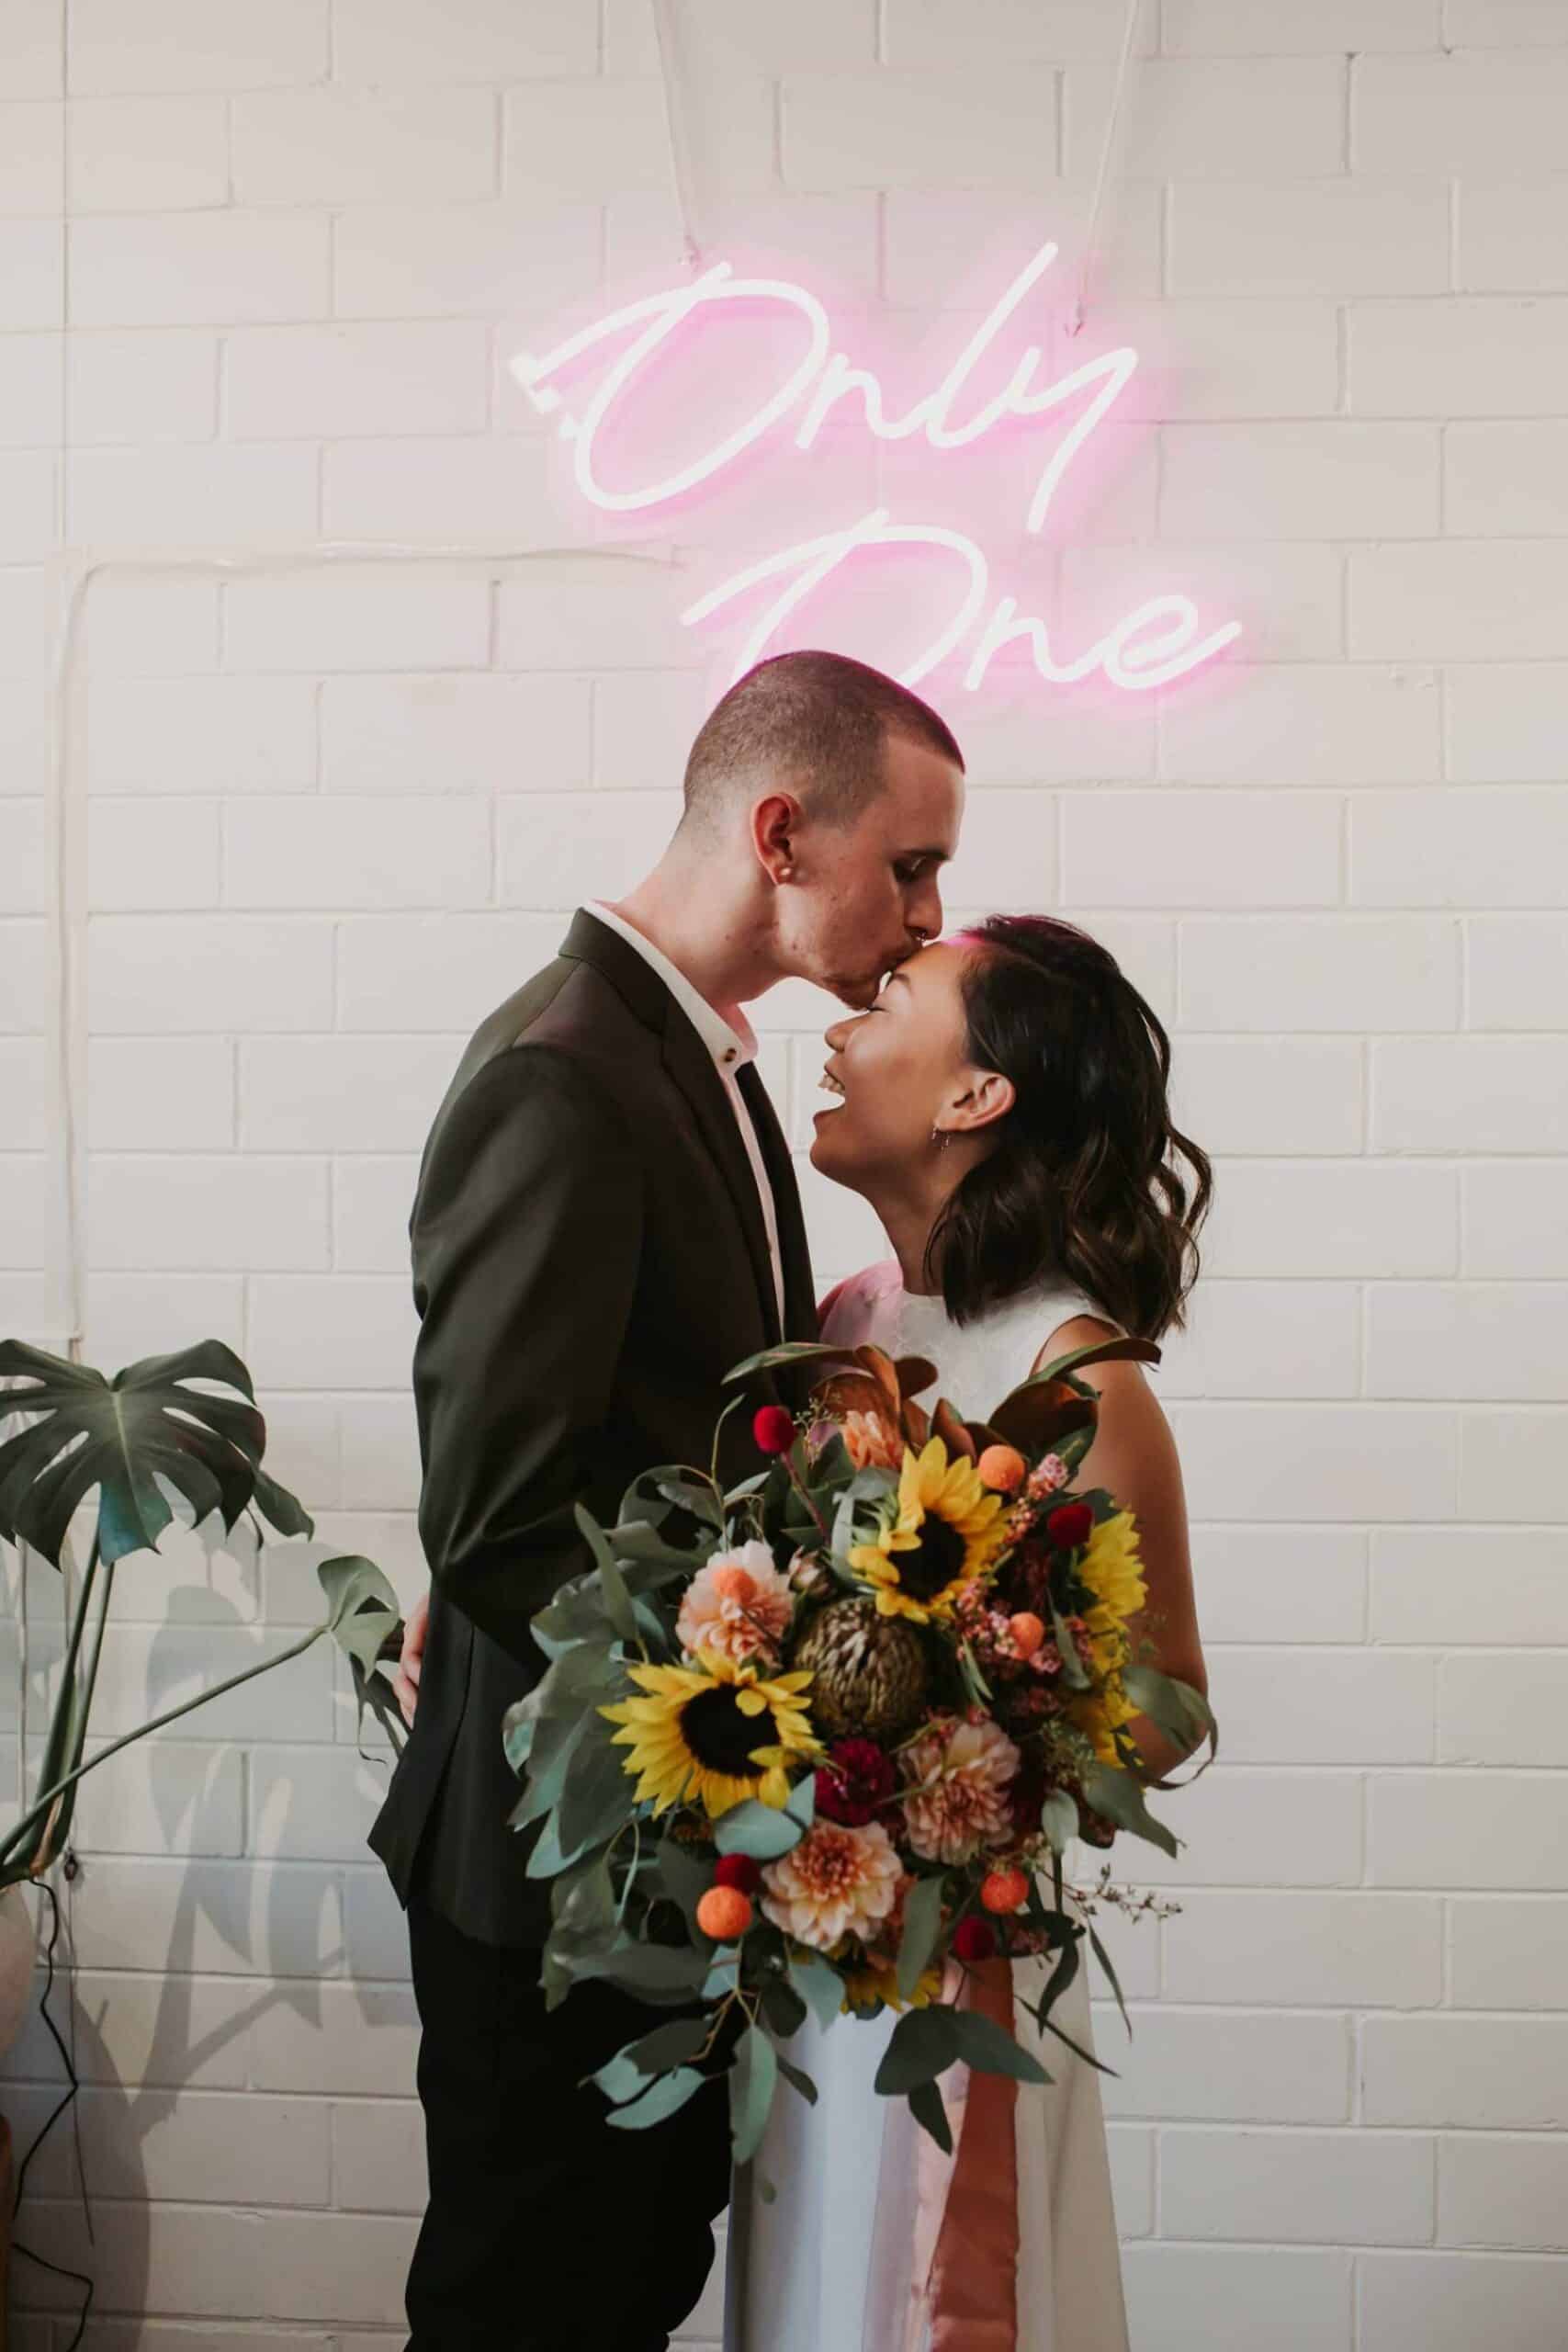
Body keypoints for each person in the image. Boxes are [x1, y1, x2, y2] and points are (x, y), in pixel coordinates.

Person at [370, 649, 966, 2351]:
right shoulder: (567, 1072)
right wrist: (775, 1711)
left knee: (627, 2287)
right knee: (530, 2309)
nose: (929, 913)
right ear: (783, 832)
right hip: (543, 1882)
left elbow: (626, 1459)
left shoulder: (692, 1057)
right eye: (909, 862)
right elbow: (490, 1522)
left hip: (650, 1869)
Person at [726, 916, 1212, 2352]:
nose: (839, 1027)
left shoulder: (1078, 1372)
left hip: (965, 1963)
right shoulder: (848, 1320)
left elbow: (1172, 1700)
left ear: (973, 1096)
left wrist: (969, 1753)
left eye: (890, 1002)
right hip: (814, 1938)